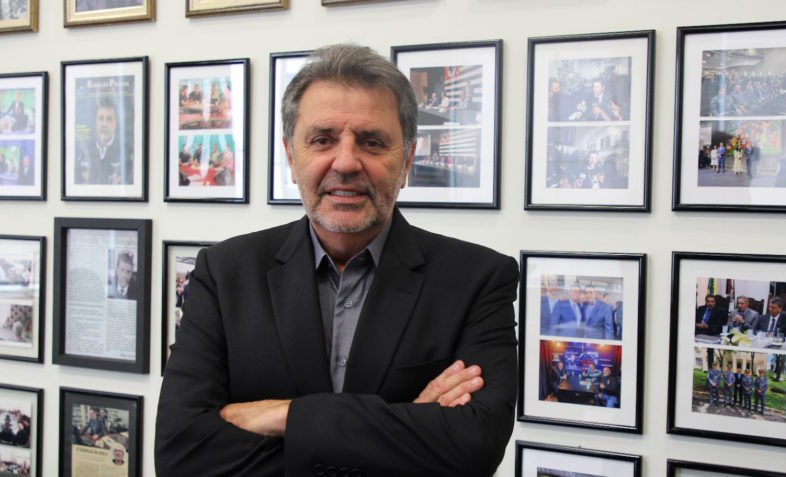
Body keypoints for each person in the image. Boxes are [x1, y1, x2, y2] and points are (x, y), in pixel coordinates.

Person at [155, 44, 519, 476]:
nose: (346, 162)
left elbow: (474, 448)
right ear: (292, 157)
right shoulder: (224, 273)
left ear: (406, 161)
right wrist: (407, 426)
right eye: (322, 140)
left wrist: (283, 416)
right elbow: (181, 454)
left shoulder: (478, 280)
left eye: (372, 142)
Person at [75, 97, 133, 185]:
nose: (104, 124)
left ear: (115, 123)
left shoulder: (125, 152)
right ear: (96, 122)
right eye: (101, 119)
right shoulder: (85, 151)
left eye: (109, 119)